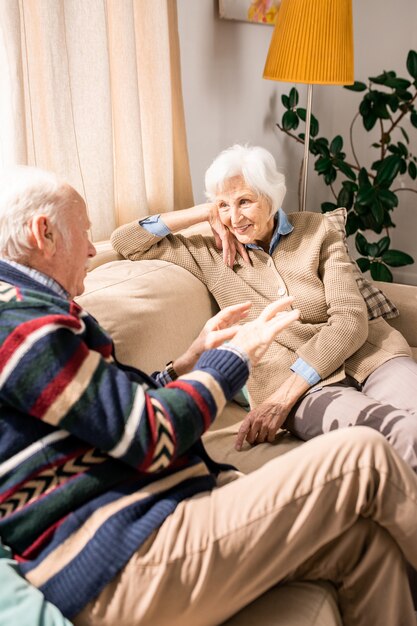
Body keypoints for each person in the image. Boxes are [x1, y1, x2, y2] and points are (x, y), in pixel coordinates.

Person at [1, 166, 417, 626]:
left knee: (364, 544)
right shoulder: (21, 328)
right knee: (362, 455)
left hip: (152, 519)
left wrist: (185, 364)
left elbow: (111, 415)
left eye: (245, 201)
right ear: (44, 233)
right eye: (83, 233)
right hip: (121, 555)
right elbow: (150, 432)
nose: (92, 249)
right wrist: (234, 356)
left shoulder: (40, 316)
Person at [111, 144, 417, 471]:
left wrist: (284, 396)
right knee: (403, 436)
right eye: (223, 205)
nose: (235, 217)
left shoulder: (317, 230)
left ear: (271, 197)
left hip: (370, 356)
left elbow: (350, 321)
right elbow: (124, 241)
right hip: (298, 387)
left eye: (245, 201)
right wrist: (204, 213)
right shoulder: (208, 252)